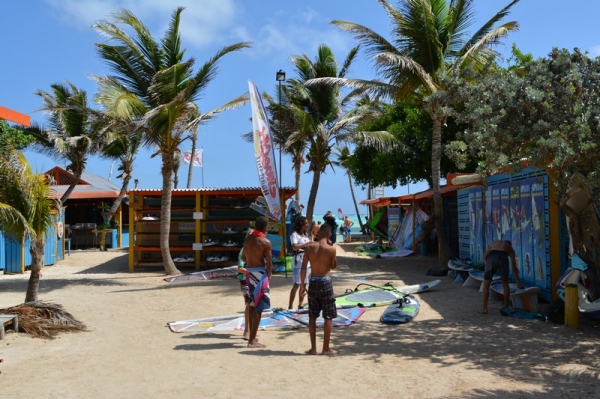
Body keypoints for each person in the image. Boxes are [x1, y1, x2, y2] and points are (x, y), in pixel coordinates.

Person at [300, 223, 338, 356]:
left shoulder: (309, 247)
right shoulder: (331, 249)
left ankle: (313, 348)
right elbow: (333, 266)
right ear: (329, 235)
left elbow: (304, 267)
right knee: (328, 316)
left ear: (318, 233)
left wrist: (302, 285)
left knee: (312, 315)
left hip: (313, 281)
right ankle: (326, 348)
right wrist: (331, 248)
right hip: (326, 282)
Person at [242, 216, 273, 348]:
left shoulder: (248, 239)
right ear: (265, 228)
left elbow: (243, 257)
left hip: (249, 273)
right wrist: (269, 276)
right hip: (260, 274)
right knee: (259, 308)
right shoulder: (265, 242)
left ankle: (250, 335)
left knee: (251, 305)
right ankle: (252, 340)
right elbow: (270, 264)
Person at [480, 240, 524, 314]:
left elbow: (484, 256)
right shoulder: (509, 248)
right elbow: (514, 268)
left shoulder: (494, 242)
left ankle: (484, 308)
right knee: (505, 283)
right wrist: (518, 283)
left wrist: (488, 267)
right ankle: (506, 307)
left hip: (491, 257)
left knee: (486, 284)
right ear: (509, 244)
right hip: (503, 257)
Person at [288, 216, 312, 309]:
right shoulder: (294, 234)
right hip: (298, 262)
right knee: (296, 284)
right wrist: (307, 243)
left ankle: (300, 304)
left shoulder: (305, 235)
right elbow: (294, 246)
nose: (307, 225)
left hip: (306, 262)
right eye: (306, 223)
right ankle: (290, 305)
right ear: (301, 225)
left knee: (304, 284)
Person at [237, 230, 254, 340]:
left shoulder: (256, 250)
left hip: (254, 280)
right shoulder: (243, 250)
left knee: (254, 305)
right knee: (249, 304)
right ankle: (246, 330)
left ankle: (251, 329)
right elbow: (240, 268)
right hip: (245, 280)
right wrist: (251, 272)